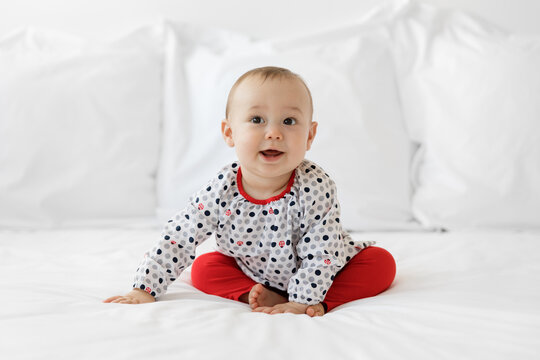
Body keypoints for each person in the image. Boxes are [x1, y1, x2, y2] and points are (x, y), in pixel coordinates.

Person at [104, 66, 396, 316]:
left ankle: (320, 303)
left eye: (289, 121)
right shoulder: (222, 187)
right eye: (257, 120)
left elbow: (322, 252)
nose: (274, 133)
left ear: (309, 136)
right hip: (254, 273)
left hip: (324, 273)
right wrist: (145, 288)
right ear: (230, 133)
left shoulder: (315, 186)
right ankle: (252, 294)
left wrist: (302, 300)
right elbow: (180, 236)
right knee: (206, 267)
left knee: (381, 264)